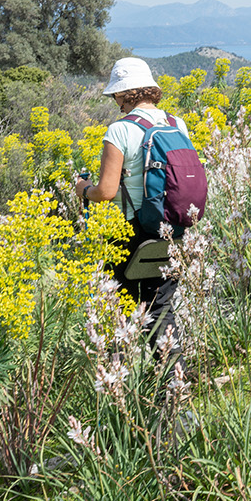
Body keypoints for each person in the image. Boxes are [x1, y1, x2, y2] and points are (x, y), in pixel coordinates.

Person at [73, 58, 185, 354]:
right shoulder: (177, 123)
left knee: (120, 308)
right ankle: (173, 386)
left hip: (133, 233)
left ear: (126, 93)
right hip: (174, 229)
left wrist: (84, 190)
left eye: (116, 96)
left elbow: (107, 191)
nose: (116, 103)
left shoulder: (120, 130)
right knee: (161, 309)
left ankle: (121, 382)